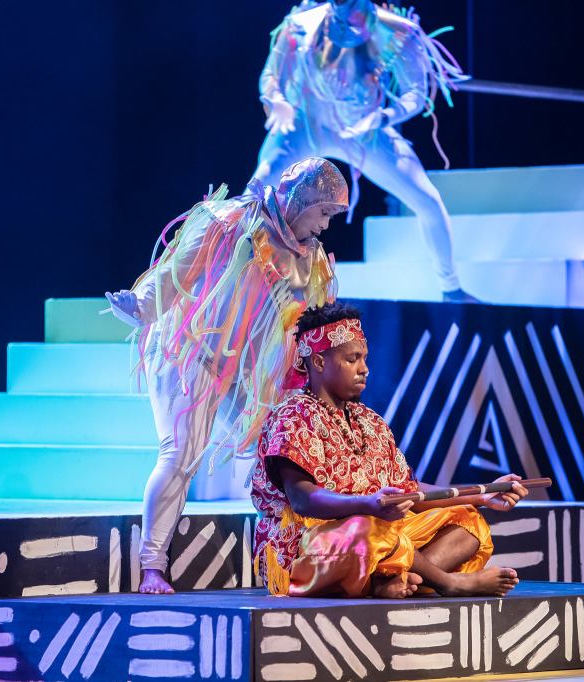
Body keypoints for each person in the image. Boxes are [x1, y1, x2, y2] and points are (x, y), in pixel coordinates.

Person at [107, 157, 349, 594]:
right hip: (189, 350)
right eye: (324, 212)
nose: (325, 225)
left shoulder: (311, 260)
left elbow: (312, 323)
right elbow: (177, 271)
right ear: (301, 200)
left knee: (286, 450)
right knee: (180, 454)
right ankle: (152, 566)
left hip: (243, 370)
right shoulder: (231, 221)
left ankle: (298, 555)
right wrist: (141, 305)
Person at [252, 302, 527, 597]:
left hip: (378, 536)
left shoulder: (370, 421)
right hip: (308, 547)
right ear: (319, 362)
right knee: (367, 528)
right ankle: (448, 583)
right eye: (352, 359)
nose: (364, 369)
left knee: (467, 519)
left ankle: (393, 581)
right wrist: (367, 505)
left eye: (364, 358)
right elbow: (303, 499)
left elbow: (409, 492)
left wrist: (481, 496)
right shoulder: (292, 416)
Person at [253, 0, 479, 302]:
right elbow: (270, 75)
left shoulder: (397, 31)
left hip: (364, 131)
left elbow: (415, 93)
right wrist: (277, 100)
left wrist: (384, 117)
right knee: (255, 194)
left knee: (428, 200)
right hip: (307, 122)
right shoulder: (302, 25)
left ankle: (451, 288)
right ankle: (234, 281)